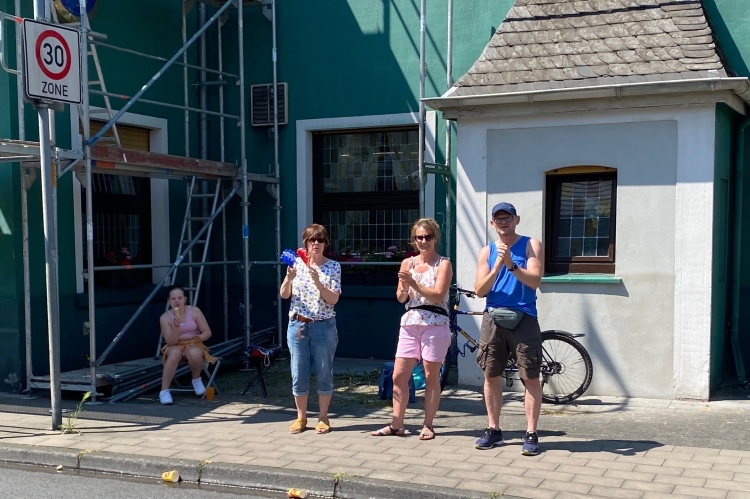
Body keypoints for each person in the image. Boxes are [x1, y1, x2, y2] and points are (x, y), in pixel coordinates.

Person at [371, 218, 453, 440]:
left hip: (435, 321)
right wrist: (405, 286)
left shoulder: (443, 264)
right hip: (410, 321)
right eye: (419, 237)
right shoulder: (407, 263)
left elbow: (438, 295)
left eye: (428, 237)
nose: (423, 241)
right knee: (399, 375)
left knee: (431, 376)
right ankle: (397, 424)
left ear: (435, 238)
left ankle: (428, 425)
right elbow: (400, 298)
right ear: (413, 240)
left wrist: (414, 283)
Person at [473, 202, 544, 455]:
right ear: (492, 223)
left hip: (524, 316)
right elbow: (480, 290)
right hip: (493, 317)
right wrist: (497, 267)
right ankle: (493, 430)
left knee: (530, 376)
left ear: (517, 220)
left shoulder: (531, 244)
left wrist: (512, 264)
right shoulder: (487, 251)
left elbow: (535, 281)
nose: (503, 222)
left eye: (508, 218)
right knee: (491, 375)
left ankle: (531, 433)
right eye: (499, 219)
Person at [280, 224, 341, 434]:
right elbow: (284, 294)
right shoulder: (296, 263)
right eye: (311, 240)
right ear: (305, 243)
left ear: (326, 243)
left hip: (323, 325)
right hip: (298, 324)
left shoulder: (333, 267)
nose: (316, 244)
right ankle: (301, 417)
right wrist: (288, 278)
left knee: (324, 370)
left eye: (320, 240)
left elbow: (333, 299)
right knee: (298, 371)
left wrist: (319, 284)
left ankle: (323, 417)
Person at [158, 285, 216, 405]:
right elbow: (171, 342)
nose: (177, 301)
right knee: (174, 353)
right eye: (173, 299)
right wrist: (176, 327)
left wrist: (200, 337)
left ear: (185, 299)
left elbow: (207, 332)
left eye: (180, 298)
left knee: (194, 352)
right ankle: (164, 391)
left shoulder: (194, 311)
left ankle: (196, 379)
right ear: (169, 301)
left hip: (194, 342)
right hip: (174, 345)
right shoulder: (165, 317)